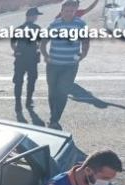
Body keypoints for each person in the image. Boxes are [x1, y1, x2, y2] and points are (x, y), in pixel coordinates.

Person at [40, 0, 90, 130]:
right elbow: (43, 42)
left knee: (62, 92)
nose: (68, 13)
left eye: (71, 11)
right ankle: (53, 116)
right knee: (52, 92)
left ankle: (54, 120)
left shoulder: (81, 25)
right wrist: (45, 55)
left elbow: (85, 43)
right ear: (61, 11)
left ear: (75, 11)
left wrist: (83, 54)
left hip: (70, 66)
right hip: (53, 65)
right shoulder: (54, 25)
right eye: (66, 11)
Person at [11, 7, 43, 113]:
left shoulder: (19, 28)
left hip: (20, 58)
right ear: (31, 16)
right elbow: (41, 43)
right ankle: (28, 101)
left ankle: (17, 103)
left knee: (18, 81)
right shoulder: (37, 28)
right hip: (32, 59)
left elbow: (12, 44)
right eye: (36, 15)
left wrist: (17, 51)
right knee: (31, 80)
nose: (37, 17)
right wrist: (35, 48)